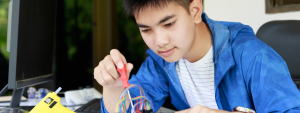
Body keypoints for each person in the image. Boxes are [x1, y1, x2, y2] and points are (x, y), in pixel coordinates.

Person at [94, 0, 300, 112]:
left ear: (195, 10)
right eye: (146, 30)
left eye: (168, 24)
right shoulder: (161, 62)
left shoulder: (253, 55)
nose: (159, 41)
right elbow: (128, 110)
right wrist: (113, 87)